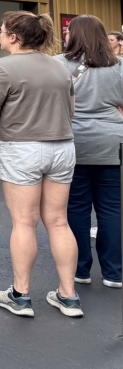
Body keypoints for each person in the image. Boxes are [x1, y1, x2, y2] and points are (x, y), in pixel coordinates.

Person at [0, 11, 82, 318]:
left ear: (13, 37)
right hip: (62, 146)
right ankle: (68, 295)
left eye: (1, 30)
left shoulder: (0, 67)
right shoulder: (60, 67)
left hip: (22, 148)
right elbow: (71, 108)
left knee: (24, 222)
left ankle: (20, 296)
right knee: (59, 221)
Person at [58, 15, 123, 289]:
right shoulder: (119, 66)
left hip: (75, 141)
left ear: (74, 35)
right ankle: (114, 273)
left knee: (77, 207)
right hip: (113, 141)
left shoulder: (59, 64)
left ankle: (79, 269)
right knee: (111, 208)